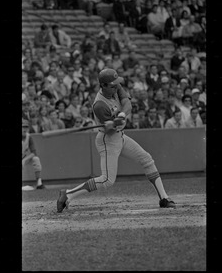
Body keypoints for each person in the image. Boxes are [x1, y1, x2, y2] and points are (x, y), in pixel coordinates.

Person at [56, 68, 176, 213]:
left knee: (147, 160)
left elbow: (127, 104)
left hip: (120, 136)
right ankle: (68, 194)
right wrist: (111, 124)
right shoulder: (99, 105)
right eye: (112, 85)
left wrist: (121, 115)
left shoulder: (116, 87)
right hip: (108, 139)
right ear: (103, 85)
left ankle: (164, 198)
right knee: (107, 180)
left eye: (116, 84)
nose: (116, 86)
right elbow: (110, 130)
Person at [22, 119, 45, 189]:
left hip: (23, 158)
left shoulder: (29, 137)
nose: (24, 129)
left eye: (26, 127)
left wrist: (24, 160)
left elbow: (34, 152)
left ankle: (39, 183)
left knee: (36, 159)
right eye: (22, 127)